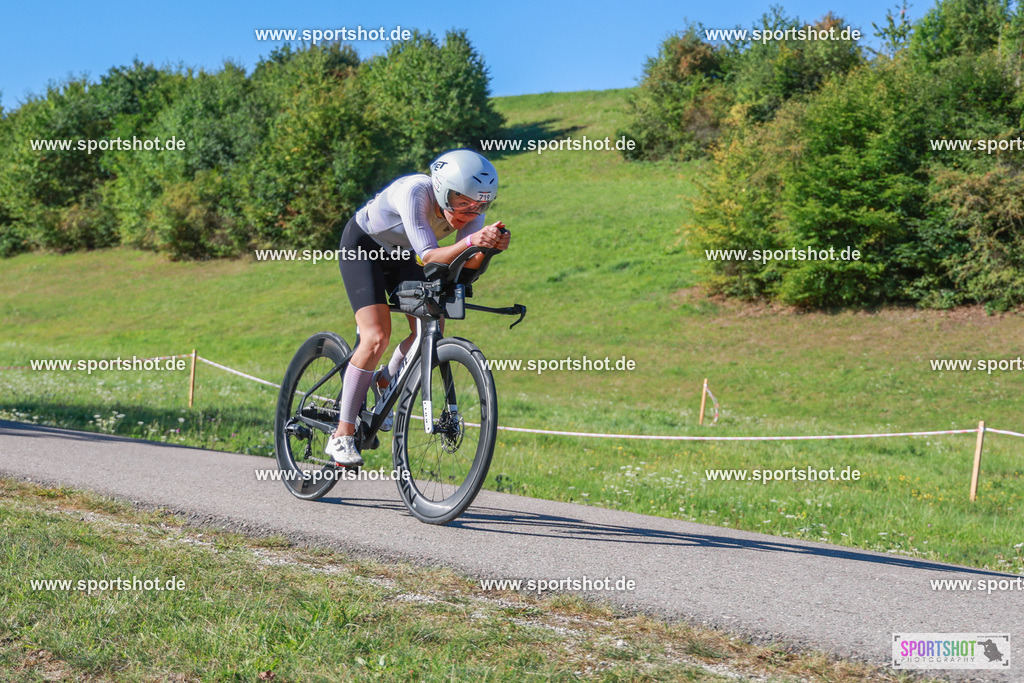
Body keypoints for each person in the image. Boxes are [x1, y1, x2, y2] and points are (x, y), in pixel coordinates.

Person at [326, 149, 511, 465]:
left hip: (402, 255)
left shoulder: (471, 211)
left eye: (479, 205)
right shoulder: (416, 192)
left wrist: (488, 249)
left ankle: (385, 380)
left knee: (432, 326)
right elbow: (429, 256)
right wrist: (471, 241)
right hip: (365, 246)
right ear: (440, 189)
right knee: (376, 336)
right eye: (460, 201)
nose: (469, 212)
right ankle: (341, 434)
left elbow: (463, 266)